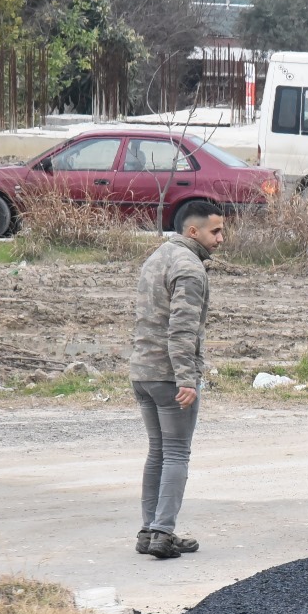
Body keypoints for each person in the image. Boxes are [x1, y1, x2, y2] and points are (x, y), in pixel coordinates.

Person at [130, 199, 225, 560]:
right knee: (175, 453)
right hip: (171, 376)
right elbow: (182, 330)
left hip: (142, 372)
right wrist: (187, 379)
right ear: (193, 231)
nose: (220, 239)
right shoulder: (190, 268)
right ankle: (162, 532)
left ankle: (148, 529)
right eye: (215, 231)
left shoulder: (158, 256)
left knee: (157, 452)